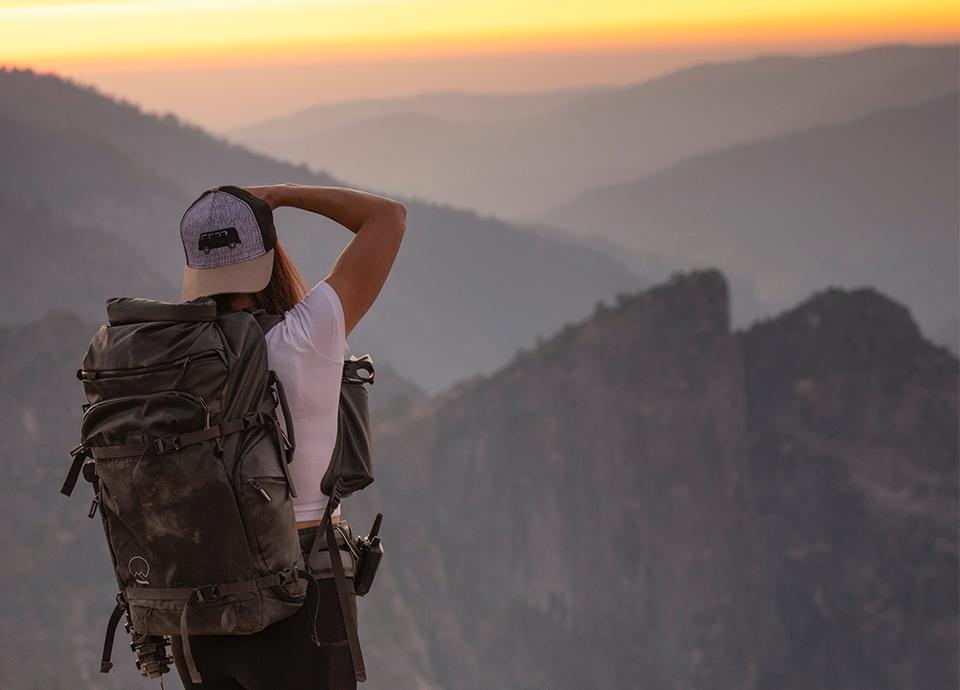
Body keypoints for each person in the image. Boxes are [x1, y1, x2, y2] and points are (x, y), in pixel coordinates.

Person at [169, 183, 406, 690]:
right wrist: (280, 195)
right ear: (268, 256)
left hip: (199, 599)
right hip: (301, 590)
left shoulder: (172, 353)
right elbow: (388, 217)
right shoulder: (307, 335)